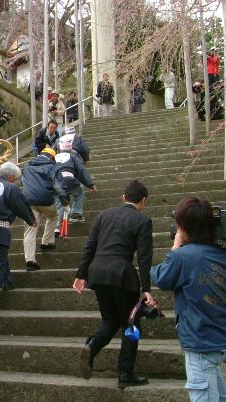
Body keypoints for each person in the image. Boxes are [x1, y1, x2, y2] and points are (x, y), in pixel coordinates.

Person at [73, 179, 155, 388]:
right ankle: (125, 372)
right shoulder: (142, 220)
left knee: (110, 320)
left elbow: (90, 247)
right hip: (122, 276)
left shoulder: (103, 215)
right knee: (131, 323)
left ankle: (92, 345)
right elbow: (144, 258)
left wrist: (81, 275)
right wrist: (146, 289)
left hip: (97, 274)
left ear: (124, 197)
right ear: (143, 200)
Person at [151, 196, 226, 402]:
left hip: (200, 341)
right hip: (218, 339)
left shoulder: (183, 257)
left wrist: (176, 246)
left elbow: (160, 277)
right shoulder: (220, 254)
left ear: (183, 227)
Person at [0, 163, 36, 315]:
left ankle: (9, 281)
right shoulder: (12, 188)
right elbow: (20, 205)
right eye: (15, 178)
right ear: (11, 177)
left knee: (0, 257)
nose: (15, 181)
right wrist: (31, 220)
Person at [22, 148, 68, 271]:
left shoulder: (27, 166)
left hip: (28, 202)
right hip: (45, 200)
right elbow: (59, 187)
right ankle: (46, 242)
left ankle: (30, 261)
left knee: (30, 229)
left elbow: (24, 182)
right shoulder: (53, 168)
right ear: (52, 157)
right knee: (53, 216)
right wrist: (65, 204)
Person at [54, 135, 97, 230]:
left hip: (57, 184)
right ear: (70, 148)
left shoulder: (54, 157)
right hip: (70, 180)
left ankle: (56, 226)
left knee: (59, 203)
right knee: (79, 194)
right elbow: (82, 170)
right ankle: (75, 214)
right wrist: (91, 184)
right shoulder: (73, 157)